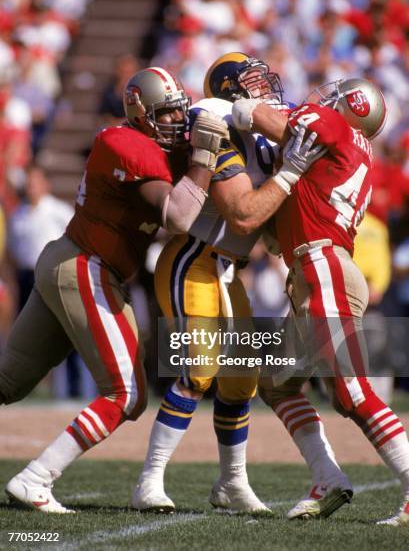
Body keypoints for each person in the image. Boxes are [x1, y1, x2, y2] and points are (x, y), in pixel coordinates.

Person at [0, 66, 226, 514]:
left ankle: (35, 478)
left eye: (178, 114)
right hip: (85, 266)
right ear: (138, 111)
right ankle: (36, 478)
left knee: (8, 381)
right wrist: (203, 158)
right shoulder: (121, 143)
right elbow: (179, 215)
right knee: (127, 393)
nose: (175, 124)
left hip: (73, 264)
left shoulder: (157, 147)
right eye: (165, 115)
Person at [132, 53, 325, 513]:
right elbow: (242, 217)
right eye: (253, 83)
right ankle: (148, 481)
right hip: (192, 261)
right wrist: (291, 172)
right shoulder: (213, 120)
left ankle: (231, 483)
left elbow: (271, 230)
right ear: (230, 92)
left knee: (240, 383)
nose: (266, 91)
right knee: (198, 369)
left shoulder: (259, 138)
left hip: (227, 271)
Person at [232, 78, 409, 526]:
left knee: (350, 390)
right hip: (315, 270)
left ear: (347, 108)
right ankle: (327, 476)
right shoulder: (352, 150)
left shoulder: (333, 126)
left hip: (323, 267)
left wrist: (237, 105)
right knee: (276, 382)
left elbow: (264, 119)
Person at [8, 164, 74, 311]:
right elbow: (12, 247)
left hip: (49, 275)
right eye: (29, 180)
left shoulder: (59, 210)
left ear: (45, 183)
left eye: (35, 180)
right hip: (25, 277)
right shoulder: (18, 214)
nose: (31, 184)